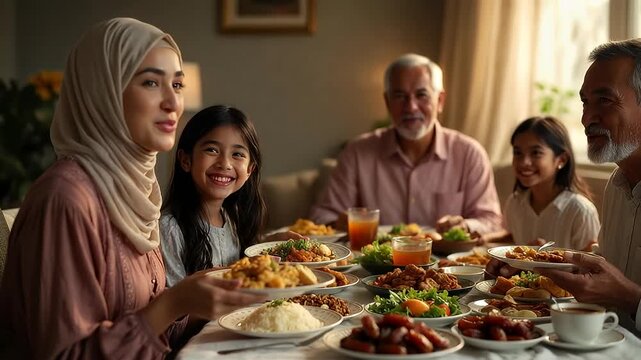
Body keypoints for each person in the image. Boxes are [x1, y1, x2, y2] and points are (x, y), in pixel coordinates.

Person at [0, 18, 264, 359]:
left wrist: (196, 297)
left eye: (178, 85)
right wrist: (173, 302)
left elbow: (150, 325)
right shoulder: (66, 198)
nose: (173, 102)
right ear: (103, 90)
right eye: (151, 82)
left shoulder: (134, 191)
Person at [489, 38, 641, 335]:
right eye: (585, 102)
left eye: (605, 100)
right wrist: (535, 268)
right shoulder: (617, 185)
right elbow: (611, 265)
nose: (586, 118)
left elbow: (620, 289)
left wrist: (630, 297)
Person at [310, 53, 502, 234]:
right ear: (387, 102)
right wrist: (339, 222)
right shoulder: (357, 152)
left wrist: (465, 225)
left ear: (440, 100)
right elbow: (321, 217)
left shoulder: (469, 154)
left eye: (421, 95)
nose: (411, 107)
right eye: (400, 96)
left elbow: (491, 221)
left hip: (448, 265)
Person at [160, 105, 302, 286]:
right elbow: (175, 304)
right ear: (186, 160)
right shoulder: (170, 229)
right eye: (212, 150)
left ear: (250, 169)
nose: (225, 164)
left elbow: (241, 268)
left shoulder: (233, 217)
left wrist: (268, 245)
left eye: (237, 154)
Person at [484, 116, 600, 250]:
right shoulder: (515, 203)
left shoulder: (580, 211)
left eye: (536, 153)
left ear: (561, 160)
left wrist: (547, 258)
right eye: (518, 153)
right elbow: (513, 237)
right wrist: (485, 238)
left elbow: (591, 264)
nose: (524, 162)